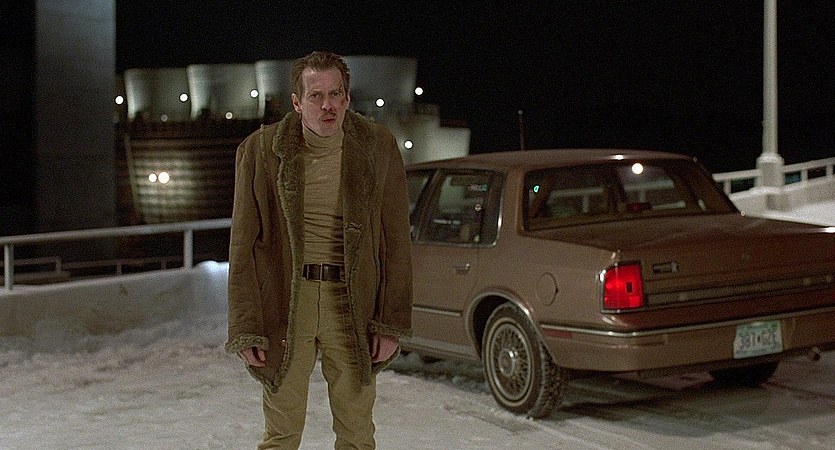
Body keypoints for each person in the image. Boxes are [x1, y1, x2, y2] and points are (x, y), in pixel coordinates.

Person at [225, 51, 413, 449]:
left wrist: (389, 322)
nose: (327, 105)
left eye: (335, 94)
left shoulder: (377, 146)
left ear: (347, 98)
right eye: (316, 95)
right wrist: (246, 326)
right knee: (281, 431)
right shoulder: (261, 151)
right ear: (297, 102)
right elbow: (243, 248)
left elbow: (396, 242)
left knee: (357, 432)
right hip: (287, 300)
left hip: (351, 300)